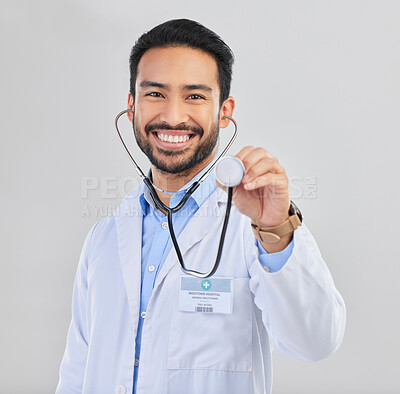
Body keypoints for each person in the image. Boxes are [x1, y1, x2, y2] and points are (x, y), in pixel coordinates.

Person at [56, 19, 346, 394]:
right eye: (155, 94)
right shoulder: (103, 239)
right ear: (131, 106)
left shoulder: (254, 229)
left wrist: (277, 229)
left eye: (194, 96)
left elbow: (315, 342)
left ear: (224, 111)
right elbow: (77, 372)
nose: (174, 116)